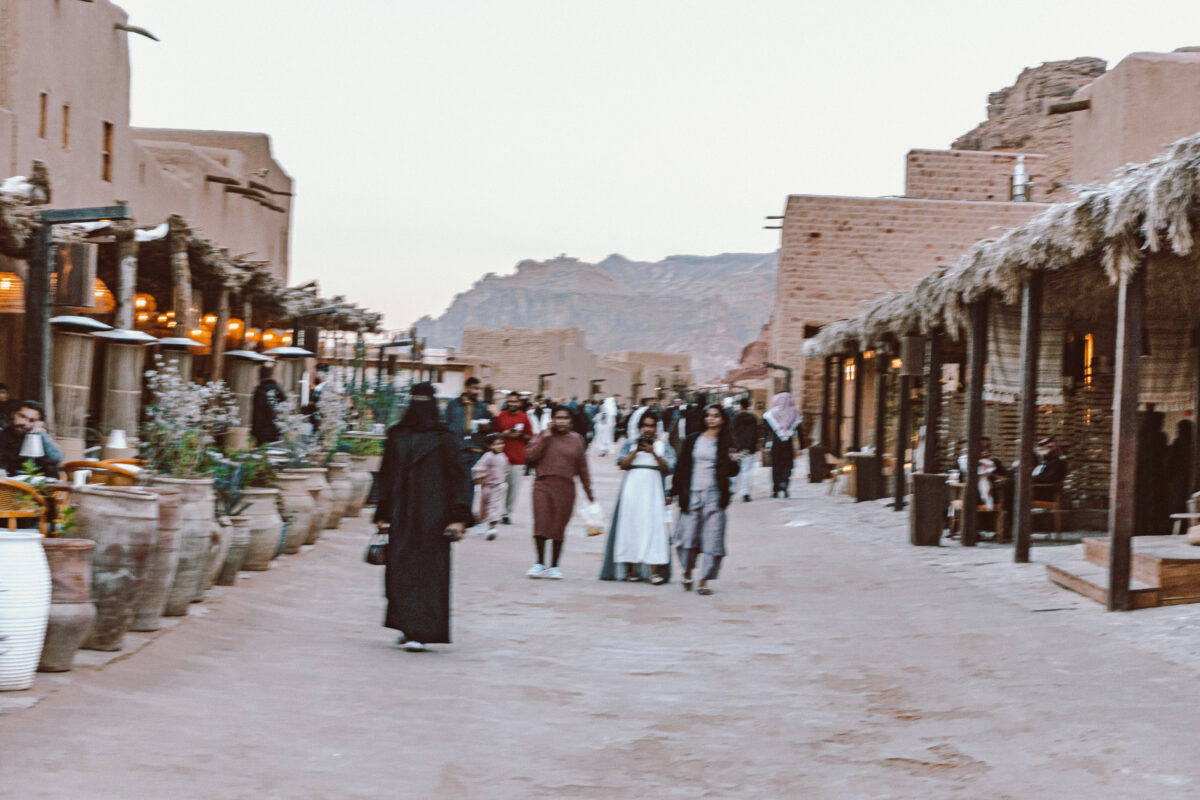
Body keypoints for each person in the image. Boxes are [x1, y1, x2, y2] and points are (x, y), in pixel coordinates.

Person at [373, 382, 473, 652]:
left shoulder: (445, 438)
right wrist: (382, 512)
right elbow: (386, 475)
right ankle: (407, 626)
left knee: (429, 572)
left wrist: (458, 517)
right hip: (402, 513)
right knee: (400, 571)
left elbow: (459, 478)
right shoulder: (398, 435)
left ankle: (422, 630)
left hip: (434, 515)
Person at [600, 408, 675, 584]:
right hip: (632, 490)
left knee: (654, 527)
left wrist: (653, 453)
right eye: (644, 426)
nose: (648, 430)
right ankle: (630, 570)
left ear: (656, 427)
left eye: (651, 426)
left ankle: (654, 572)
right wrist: (636, 451)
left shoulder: (663, 446)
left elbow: (669, 468)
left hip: (653, 489)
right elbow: (622, 464)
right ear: (640, 427)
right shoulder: (629, 444)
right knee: (629, 526)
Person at [670, 404, 739, 596]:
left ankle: (704, 580)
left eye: (716, 416)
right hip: (692, 494)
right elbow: (681, 466)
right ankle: (687, 572)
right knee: (687, 536)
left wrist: (734, 459)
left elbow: (733, 471)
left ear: (722, 419)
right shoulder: (693, 440)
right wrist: (674, 491)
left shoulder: (726, 443)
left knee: (712, 538)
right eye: (708, 416)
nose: (711, 419)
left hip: (715, 497)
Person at [526, 405, 594, 580]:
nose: (562, 421)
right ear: (552, 419)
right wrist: (545, 438)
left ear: (570, 420)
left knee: (558, 526)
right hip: (542, 485)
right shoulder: (542, 435)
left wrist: (589, 492)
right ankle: (539, 563)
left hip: (565, 488)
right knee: (541, 523)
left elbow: (582, 468)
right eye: (558, 418)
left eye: (565, 418)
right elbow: (531, 456)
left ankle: (555, 566)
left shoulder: (577, 440)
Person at [442, 377, 493, 520]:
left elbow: (491, 425)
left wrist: (486, 426)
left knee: (469, 483)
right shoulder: (453, 405)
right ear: (467, 388)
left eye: (478, 389)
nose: (476, 391)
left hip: (475, 448)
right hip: (458, 448)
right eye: (474, 388)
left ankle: (465, 513)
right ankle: (452, 510)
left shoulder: (482, 407)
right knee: (455, 480)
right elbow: (446, 423)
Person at [491, 391, 532, 524]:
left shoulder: (524, 417)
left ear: (519, 403)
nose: (512, 404)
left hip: (518, 459)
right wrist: (504, 434)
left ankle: (507, 513)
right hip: (500, 457)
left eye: (515, 401)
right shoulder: (501, 416)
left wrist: (519, 435)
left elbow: (530, 437)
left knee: (513, 488)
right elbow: (493, 434)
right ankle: (494, 512)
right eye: (510, 401)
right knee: (497, 486)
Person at [0, 400, 64, 477]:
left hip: (39, 484)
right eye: (22, 416)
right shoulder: (3, 435)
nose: (25, 423)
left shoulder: (39, 437)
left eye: (31, 420)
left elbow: (56, 457)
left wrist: (39, 432)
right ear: (13, 414)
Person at [472, 434, 510, 540]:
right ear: (489, 446)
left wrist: (503, 480)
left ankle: (492, 528)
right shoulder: (488, 456)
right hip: (487, 487)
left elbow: (506, 470)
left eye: (501, 443)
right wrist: (480, 480)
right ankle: (478, 521)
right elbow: (478, 468)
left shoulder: (503, 456)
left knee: (493, 507)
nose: (500, 446)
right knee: (483, 509)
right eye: (496, 444)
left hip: (497, 487)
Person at [763, 392, 800, 498]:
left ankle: (775, 489)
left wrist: (764, 443)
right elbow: (799, 430)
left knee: (776, 466)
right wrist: (802, 446)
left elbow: (767, 430)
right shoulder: (795, 413)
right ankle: (785, 484)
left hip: (776, 444)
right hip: (788, 445)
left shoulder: (772, 414)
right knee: (787, 465)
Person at [731, 397, 760, 502]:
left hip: (738, 448)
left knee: (735, 470)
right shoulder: (753, 418)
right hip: (750, 448)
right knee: (747, 471)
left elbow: (732, 432)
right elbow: (757, 433)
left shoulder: (735, 418)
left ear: (740, 405)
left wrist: (733, 447)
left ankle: (731, 490)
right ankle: (745, 493)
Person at [250, 365, 286, 445]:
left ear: (259, 376)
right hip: (276, 429)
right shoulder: (278, 390)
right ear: (271, 375)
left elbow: (257, 414)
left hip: (262, 431)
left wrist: (254, 432)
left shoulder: (259, 391)